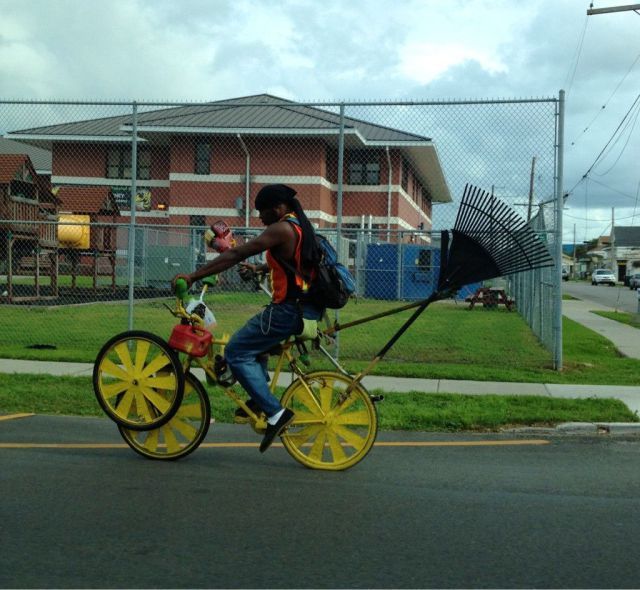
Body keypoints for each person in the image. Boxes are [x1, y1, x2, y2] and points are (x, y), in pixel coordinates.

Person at [172, 184, 324, 453]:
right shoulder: (298, 226)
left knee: (236, 352)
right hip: (303, 308)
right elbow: (295, 263)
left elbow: (237, 252)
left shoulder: (279, 229)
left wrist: (193, 276)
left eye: (261, 213)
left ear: (277, 209)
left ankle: (276, 414)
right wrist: (261, 268)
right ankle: (258, 398)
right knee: (254, 343)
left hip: (286, 311)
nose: (260, 219)